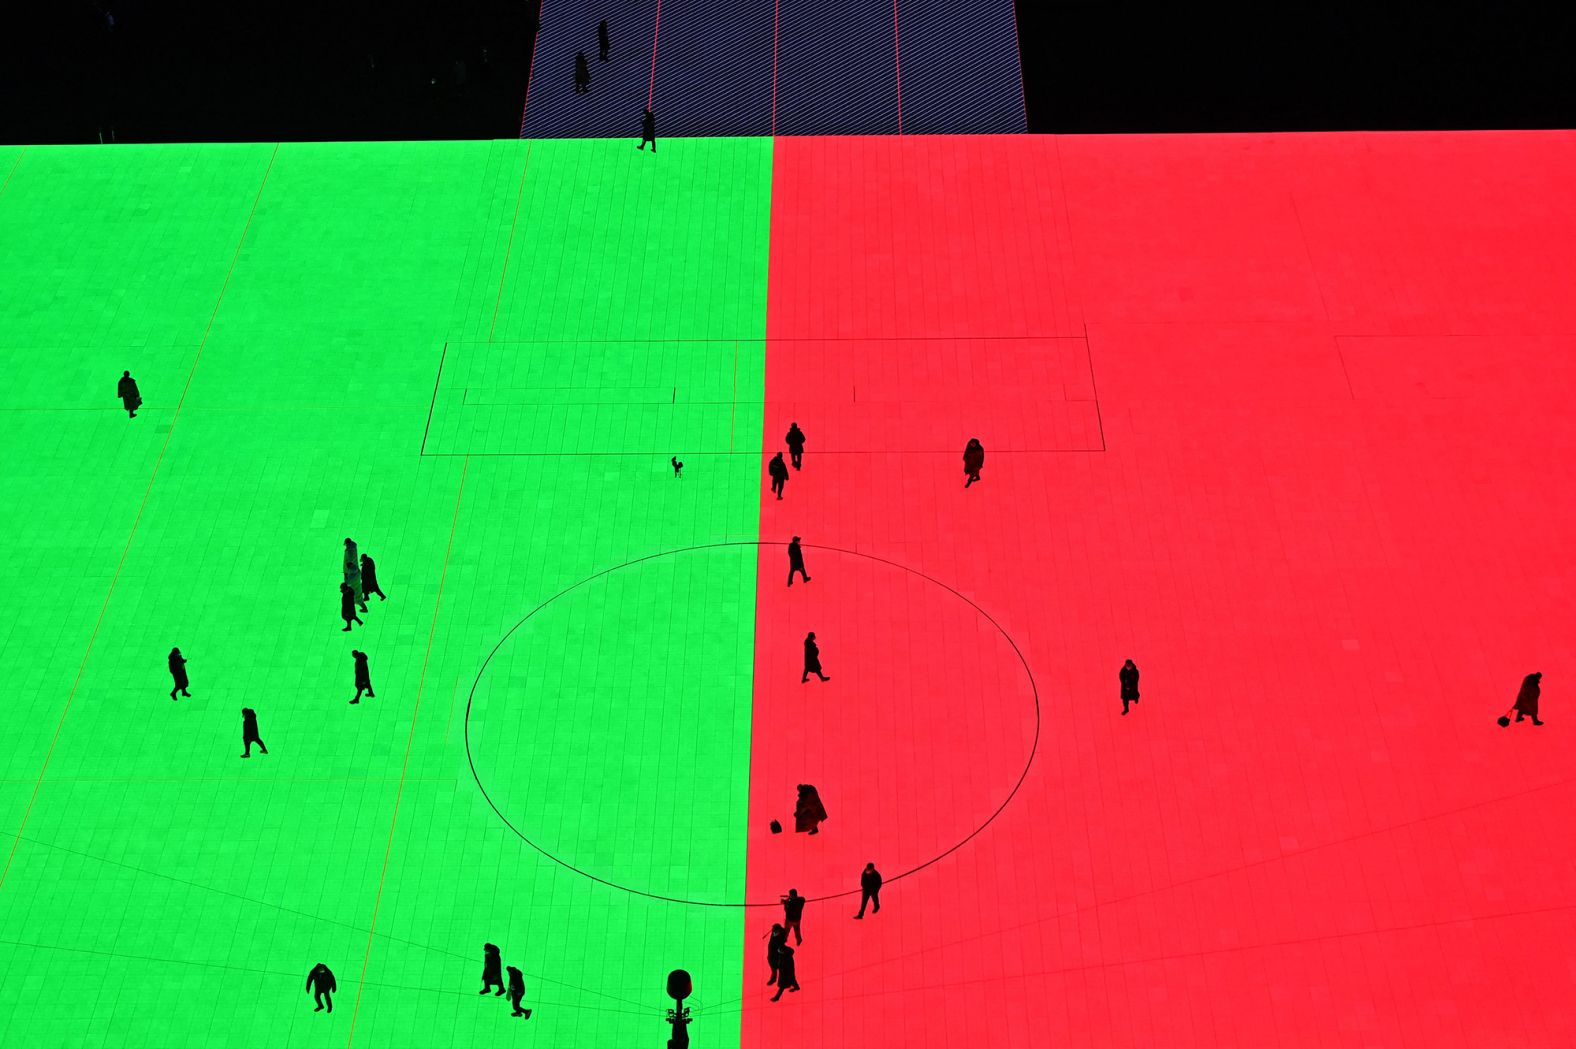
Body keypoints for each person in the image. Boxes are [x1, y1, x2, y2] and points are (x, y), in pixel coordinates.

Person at [343, 538, 367, 612]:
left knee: (356, 599)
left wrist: (346, 577)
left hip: (354, 589)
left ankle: (362, 608)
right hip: (356, 587)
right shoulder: (356, 571)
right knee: (358, 599)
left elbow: (349, 582)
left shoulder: (350, 551)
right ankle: (362, 608)